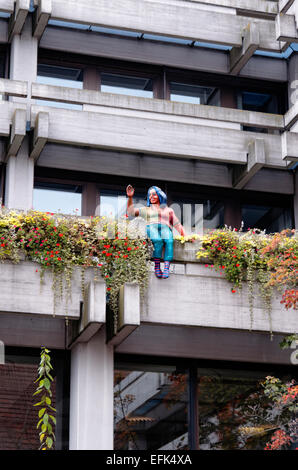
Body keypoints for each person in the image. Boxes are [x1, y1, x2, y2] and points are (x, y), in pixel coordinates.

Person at [126, 184, 185, 279]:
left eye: (154, 194)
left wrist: (185, 236)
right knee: (158, 241)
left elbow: (177, 224)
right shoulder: (146, 210)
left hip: (165, 227)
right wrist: (130, 197)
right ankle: (157, 266)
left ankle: (166, 268)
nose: (151, 197)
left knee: (169, 240)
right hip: (151, 226)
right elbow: (131, 212)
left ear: (159, 195)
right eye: (150, 195)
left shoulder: (168, 210)